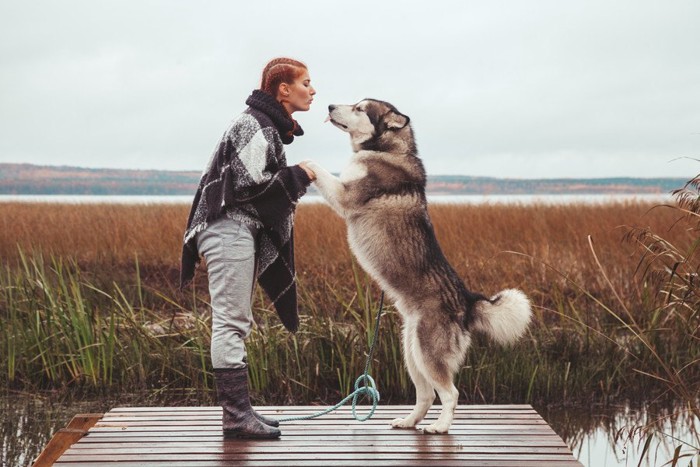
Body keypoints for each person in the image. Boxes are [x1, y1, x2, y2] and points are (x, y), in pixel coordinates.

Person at [180, 57, 316, 439]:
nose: (314, 89)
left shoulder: (266, 125)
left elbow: (250, 185)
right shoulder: (253, 124)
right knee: (230, 321)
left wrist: (294, 176)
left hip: (234, 228)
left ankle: (241, 414)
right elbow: (249, 186)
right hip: (227, 228)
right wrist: (300, 174)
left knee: (235, 320)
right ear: (283, 89)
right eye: (307, 82)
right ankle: (237, 417)